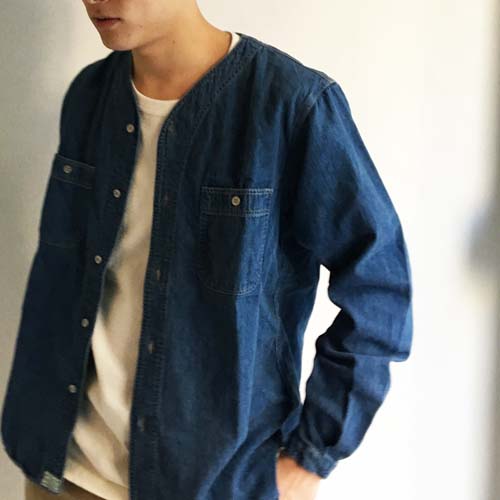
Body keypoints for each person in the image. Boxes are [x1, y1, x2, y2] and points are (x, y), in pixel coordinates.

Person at [1, 0, 414, 499]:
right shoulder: (89, 96)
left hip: (212, 485)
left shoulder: (290, 105)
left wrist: (310, 458)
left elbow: (379, 287)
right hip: (60, 471)